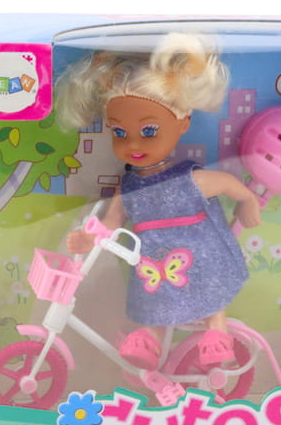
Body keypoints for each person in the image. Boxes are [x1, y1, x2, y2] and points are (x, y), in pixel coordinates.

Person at [58, 33, 260, 372]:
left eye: (149, 131)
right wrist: (89, 238)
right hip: (152, 260)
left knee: (208, 282)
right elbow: (112, 223)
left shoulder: (188, 178)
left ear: (182, 123)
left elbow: (228, 184)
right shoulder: (128, 185)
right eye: (119, 133)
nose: (132, 144)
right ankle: (151, 336)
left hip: (199, 250)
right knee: (153, 297)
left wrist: (249, 201)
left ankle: (217, 328)